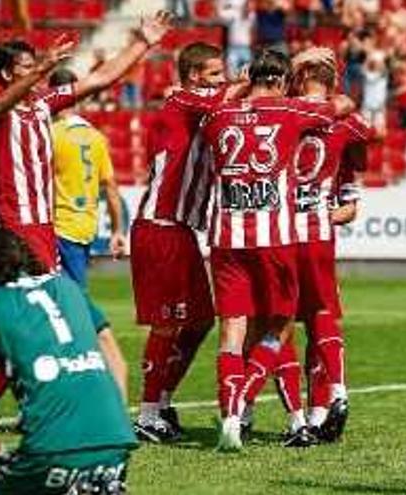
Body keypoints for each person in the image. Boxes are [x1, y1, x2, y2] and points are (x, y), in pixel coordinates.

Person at [0, 11, 172, 420]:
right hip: (18, 229)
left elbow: (101, 79)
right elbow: (2, 104)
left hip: (45, 228)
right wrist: (45, 67)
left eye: (37, 66)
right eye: (27, 68)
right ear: (7, 74)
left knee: (38, 321)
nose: (38, 73)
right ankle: (41, 404)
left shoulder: (44, 105)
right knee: (55, 317)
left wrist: (143, 42)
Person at [201, 49, 353, 451]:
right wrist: (307, 64)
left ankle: (232, 417)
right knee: (280, 326)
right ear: (285, 82)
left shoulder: (218, 115)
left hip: (226, 238)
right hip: (274, 238)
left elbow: (218, 105)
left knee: (232, 334)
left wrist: (240, 86)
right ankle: (249, 396)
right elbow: (338, 107)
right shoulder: (290, 112)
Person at [240, 47, 374, 444]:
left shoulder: (283, 111)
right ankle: (335, 394)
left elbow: (252, 94)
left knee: (272, 324)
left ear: (294, 78)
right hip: (318, 231)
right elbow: (368, 134)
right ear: (334, 81)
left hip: (279, 232)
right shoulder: (343, 120)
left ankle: (293, 416)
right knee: (321, 315)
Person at [0, 229, 136, 495]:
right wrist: (115, 418)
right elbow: (115, 359)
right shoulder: (68, 287)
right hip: (116, 443)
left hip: (51, 450)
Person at [130, 41, 230, 442]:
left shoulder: (200, 108)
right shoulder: (183, 102)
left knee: (202, 320)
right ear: (193, 77)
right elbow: (232, 98)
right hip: (161, 225)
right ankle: (147, 413)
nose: (221, 81)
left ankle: (163, 400)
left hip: (181, 229)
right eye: (214, 74)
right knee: (167, 324)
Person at [49, 67, 127, 289]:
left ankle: (99, 325)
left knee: (69, 300)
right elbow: (111, 188)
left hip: (58, 228)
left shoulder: (50, 134)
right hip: (84, 228)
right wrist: (117, 231)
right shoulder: (96, 137)